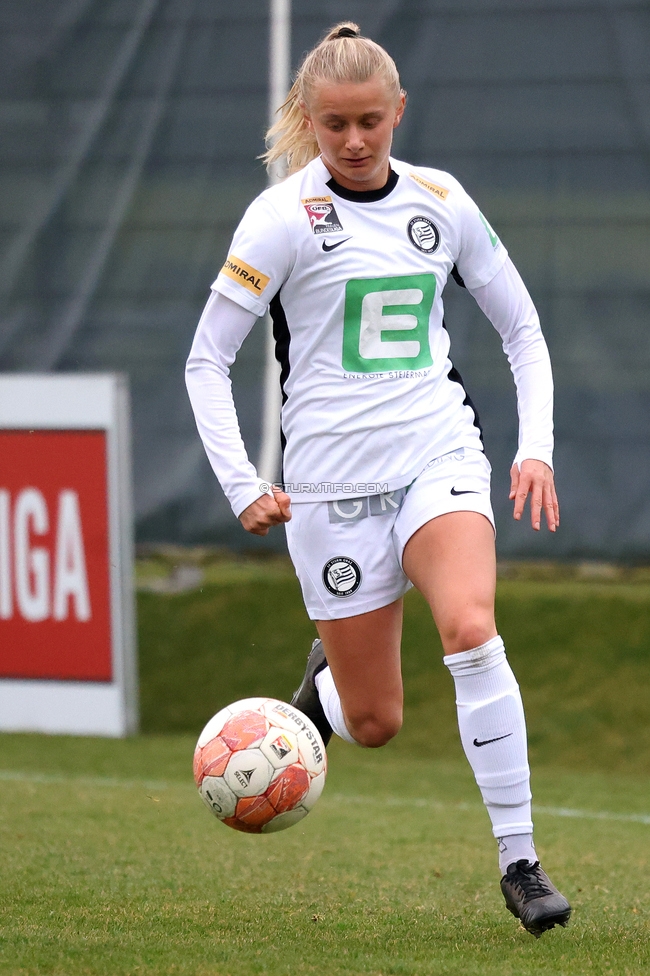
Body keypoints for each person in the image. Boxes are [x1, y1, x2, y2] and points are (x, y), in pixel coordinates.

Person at [186, 22, 571, 937]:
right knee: (373, 722)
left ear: (399, 111)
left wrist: (536, 445)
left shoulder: (443, 200)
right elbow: (207, 361)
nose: (355, 142)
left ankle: (520, 862)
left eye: (370, 121)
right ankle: (325, 689)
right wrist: (243, 482)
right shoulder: (281, 217)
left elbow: (522, 330)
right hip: (327, 495)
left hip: (439, 457)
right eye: (334, 126)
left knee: (472, 631)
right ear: (309, 122)